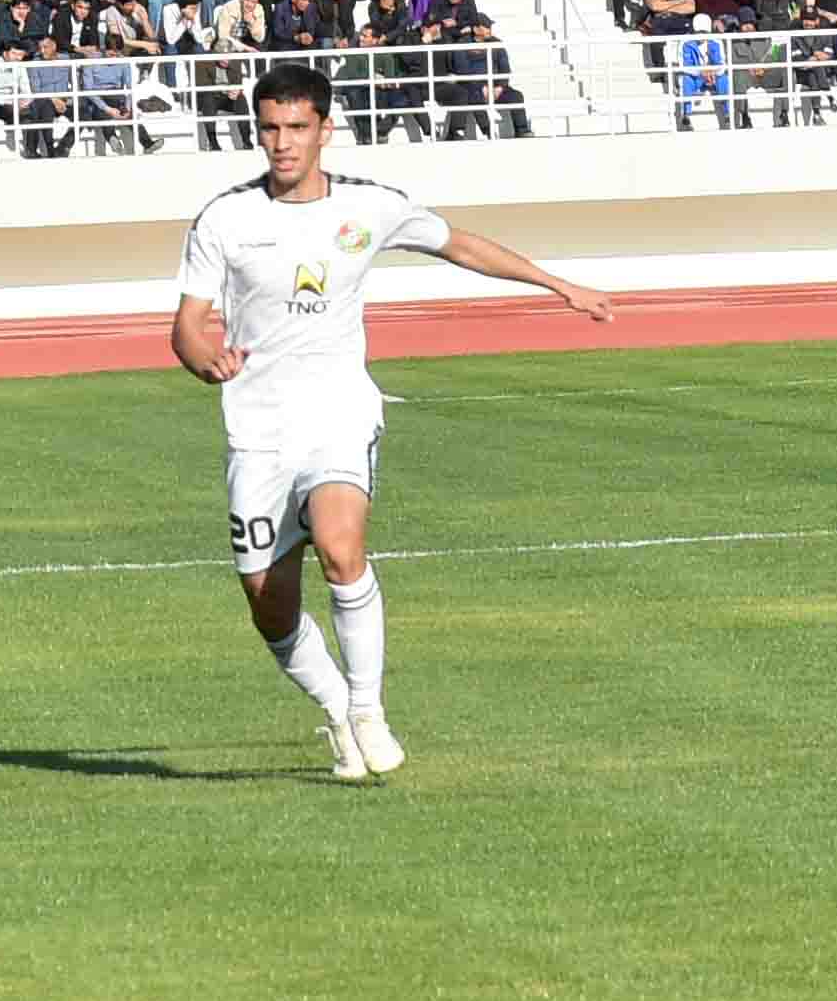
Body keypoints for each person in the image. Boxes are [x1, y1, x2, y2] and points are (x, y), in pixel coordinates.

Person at [170, 66, 611, 782]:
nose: (282, 143)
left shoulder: (370, 206)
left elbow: (460, 244)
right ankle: (338, 710)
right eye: (270, 128)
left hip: (339, 412)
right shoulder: (225, 218)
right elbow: (187, 325)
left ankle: (368, 710)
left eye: (297, 128)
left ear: (325, 130)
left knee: (341, 548)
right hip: (257, 429)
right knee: (268, 605)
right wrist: (204, 360)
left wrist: (559, 285)